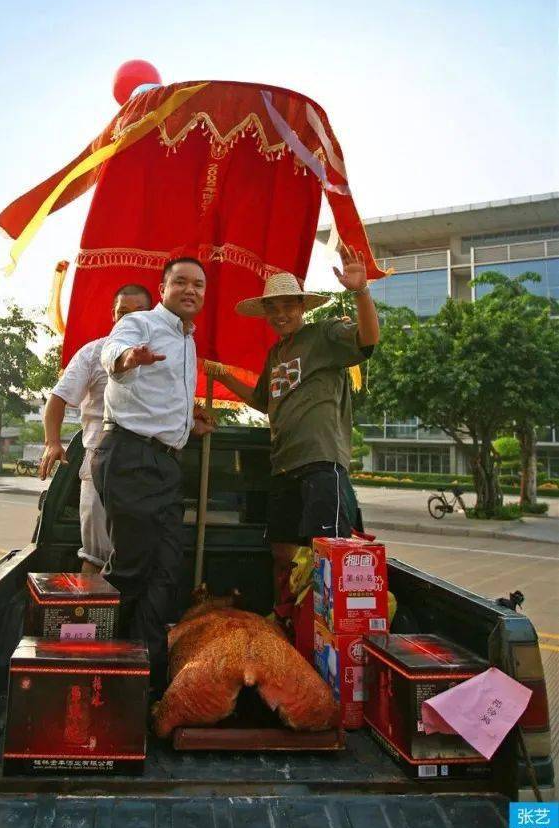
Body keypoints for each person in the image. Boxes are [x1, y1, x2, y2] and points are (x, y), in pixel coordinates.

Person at [205, 243, 380, 593]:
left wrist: (360, 292)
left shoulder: (324, 334)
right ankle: (285, 618)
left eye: (288, 306)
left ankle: (322, 635)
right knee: (282, 553)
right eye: (274, 308)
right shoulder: (276, 353)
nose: (281, 315)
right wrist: (223, 375)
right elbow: (262, 400)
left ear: (302, 307)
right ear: (265, 313)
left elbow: (368, 339)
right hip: (282, 464)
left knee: (325, 553)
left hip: (320, 459)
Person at [93, 257, 214, 696]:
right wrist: (126, 358)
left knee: (166, 571)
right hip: (130, 457)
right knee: (131, 569)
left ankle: (144, 680)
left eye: (198, 285)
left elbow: (162, 399)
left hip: (163, 463)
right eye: (180, 282)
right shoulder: (141, 323)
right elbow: (114, 350)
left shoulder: (187, 341)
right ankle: (103, 676)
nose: (190, 290)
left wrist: (187, 422)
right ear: (162, 287)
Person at [39, 284, 152, 573]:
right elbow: (58, 399)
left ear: (151, 316)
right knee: (94, 557)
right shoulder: (93, 353)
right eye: (123, 312)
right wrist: (52, 442)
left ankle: (128, 619)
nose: (130, 319)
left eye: (140, 312)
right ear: (113, 316)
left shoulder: (164, 358)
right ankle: (88, 618)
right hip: (99, 464)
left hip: (147, 467)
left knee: (138, 561)